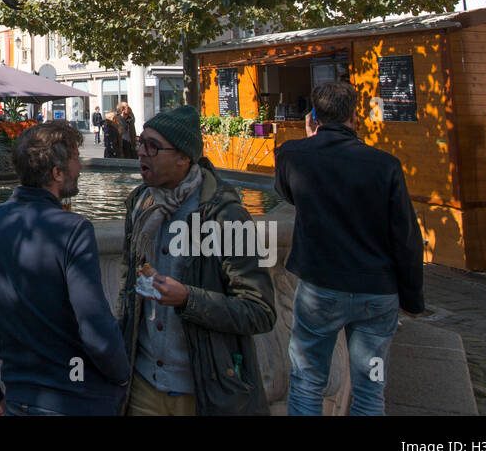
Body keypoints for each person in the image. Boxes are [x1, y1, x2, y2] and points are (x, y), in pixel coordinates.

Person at [0, 121, 129, 415]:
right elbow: (94, 328)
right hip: (79, 399)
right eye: (76, 158)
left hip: (21, 399)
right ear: (57, 173)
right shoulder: (73, 230)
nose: (80, 167)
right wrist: (123, 376)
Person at [275, 81, 425, 416]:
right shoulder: (385, 165)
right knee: (371, 388)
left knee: (307, 380)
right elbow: (406, 238)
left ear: (313, 116)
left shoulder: (292, 155)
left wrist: (311, 141)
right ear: (354, 117)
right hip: (377, 292)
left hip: (321, 291)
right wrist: (412, 298)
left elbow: (287, 195)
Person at [119, 105, 276, 416]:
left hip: (204, 388)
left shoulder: (224, 216)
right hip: (143, 385)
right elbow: (127, 283)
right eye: (141, 142)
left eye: (153, 146)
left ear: (183, 157)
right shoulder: (140, 204)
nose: (141, 152)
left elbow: (260, 311)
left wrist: (188, 299)